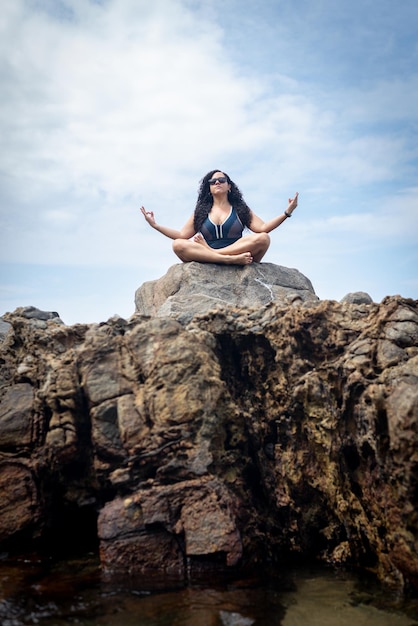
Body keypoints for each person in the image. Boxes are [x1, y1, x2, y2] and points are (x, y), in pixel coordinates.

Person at [140, 169, 298, 266]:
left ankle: (217, 255)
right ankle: (226, 259)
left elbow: (263, 228)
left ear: (229, 186)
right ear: (208, 188)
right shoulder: (201, 211)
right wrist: (156, 225)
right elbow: (182, 236)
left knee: (263, 238)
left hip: (238, 251)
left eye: (222, 180)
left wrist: (287, 212)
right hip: (231, 258)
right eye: (213, 181)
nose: (217, 182)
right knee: (178, 245)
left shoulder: (240, 208)